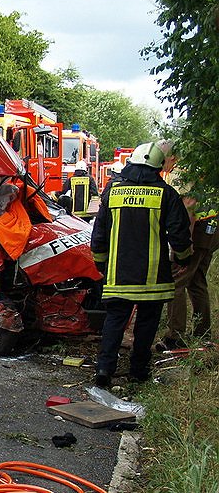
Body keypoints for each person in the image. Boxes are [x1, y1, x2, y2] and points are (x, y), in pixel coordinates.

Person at [91, 140, 192, 387]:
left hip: (118, 275)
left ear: (131, 163)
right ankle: (138, 371)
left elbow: (100, 235)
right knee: (146, 325)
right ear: (158, 168)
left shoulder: (112, 191)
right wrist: (183, 259)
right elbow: (179, 235)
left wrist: (102, 265)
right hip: (153, 279)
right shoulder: (166, 194)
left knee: (114, 321)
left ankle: (104, 369)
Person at [161, 166, 219, 347]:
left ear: (170, 157)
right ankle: (203, 332)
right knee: (197, 282)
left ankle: (175, 337)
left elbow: (188, 207)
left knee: (176, 281)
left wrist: (185, 244)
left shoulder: (181, 172)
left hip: (198, 231)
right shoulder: (200, 166)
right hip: (212, 228)